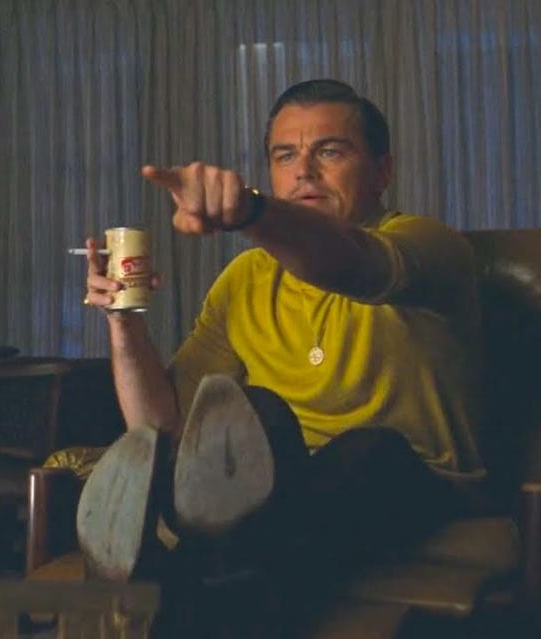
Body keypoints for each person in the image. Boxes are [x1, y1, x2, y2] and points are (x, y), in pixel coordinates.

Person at [78, 79, 485, 637]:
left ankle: (167, 571)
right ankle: (205, 576)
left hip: (415, 481)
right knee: (254, 413)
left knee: (369, 450)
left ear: (382, 171)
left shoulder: (428, 245)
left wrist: (250, 212)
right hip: (280, 492)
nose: (304, 173)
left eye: (330, 152)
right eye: (285, 155)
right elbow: (159, 426)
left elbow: (348, 262)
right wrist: (123, 322)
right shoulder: (245, 278)